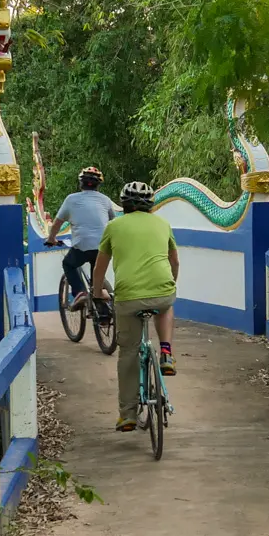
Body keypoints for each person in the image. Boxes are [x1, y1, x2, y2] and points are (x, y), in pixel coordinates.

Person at [92, 181, 179, 433]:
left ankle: (128, 414)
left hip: (128, 297)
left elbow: (99, 268)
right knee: (166, 304)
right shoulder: (163, 224)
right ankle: (165, 353)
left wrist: (98, 294)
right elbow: (174, 261)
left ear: (124, 205)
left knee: (129, 352)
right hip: (162, 289)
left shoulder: (113, 226)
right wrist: (170, 285)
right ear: (151, 205)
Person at [45, 166, 115, 311]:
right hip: (104, 246)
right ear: (98, 185)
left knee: (69, 264)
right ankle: (103, 315)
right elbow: (114, 222)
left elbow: (57, 222)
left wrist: (51, 238)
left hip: (82, 246)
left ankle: (80, 292)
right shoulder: (105, 200)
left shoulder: (71, 199)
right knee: (98, 278)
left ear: (80, 183)